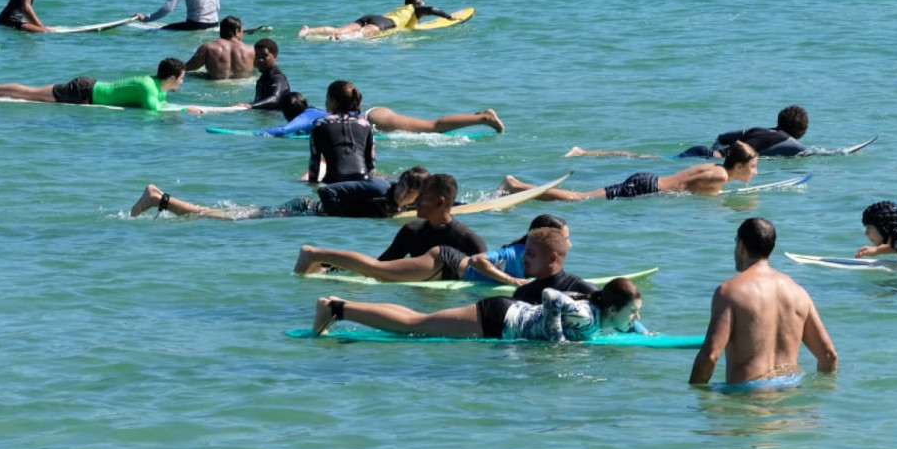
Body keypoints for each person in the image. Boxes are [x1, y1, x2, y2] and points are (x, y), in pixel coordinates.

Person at [311, 231, 641, 342]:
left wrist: (640, 329)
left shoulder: (590, 297)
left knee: (417, 321)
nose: (524, 260)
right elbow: (553, 299)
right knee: (414, 326)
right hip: (498, 318)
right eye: (633, 315)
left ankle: (340, 306)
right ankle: (337, 309)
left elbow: (613, 305)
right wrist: (558, 344)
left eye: (531, 255)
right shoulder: (586, 311)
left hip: (503, 314)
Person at [689, 217, 837, 387]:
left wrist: (696, 396)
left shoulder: (730, 292)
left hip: (748, 400)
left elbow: (710, 356)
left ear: (741, 247)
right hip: (790, 396)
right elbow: (828, 355)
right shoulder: (798, 293)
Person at [293, 213, 569, 287]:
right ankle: (314, 253)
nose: (569, 244)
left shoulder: (538, 259)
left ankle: (324, 267)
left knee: (376, 274)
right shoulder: (521, 252)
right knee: (376, 271)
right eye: (565, 237)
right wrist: (512, 280)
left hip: (448, 270)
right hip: (444, 263)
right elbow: (477, 261)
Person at [130, 166, 430, 221]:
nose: (404, 194)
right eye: (403, 186)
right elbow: (327, 191)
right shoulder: (380, 189)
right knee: (226, 218)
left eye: (410, 192)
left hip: (303, 212)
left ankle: (161, 198)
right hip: (302, 209)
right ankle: (160, 199)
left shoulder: (397, 204)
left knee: (233, 214)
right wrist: (340, 217)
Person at [501, 140, 759, 201]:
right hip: (647, 188)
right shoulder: (721, 175)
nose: (755, 172)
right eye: (753, 167)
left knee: (581, 198)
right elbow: (682, 186)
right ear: (737, 166)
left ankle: (519, 187)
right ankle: (518, 187)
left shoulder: (718, 169)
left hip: (647, 181)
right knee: (580, 199)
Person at [567, 105, 811, 159]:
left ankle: (587, 152)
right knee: (646, 158)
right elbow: (811, 153)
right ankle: (585, 152)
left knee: (646, 157)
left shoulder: (760, 129)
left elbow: (723, 136)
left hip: (704, 152)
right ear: (800, 130)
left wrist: (716, 153)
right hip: (707, 157)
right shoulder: (788, 141)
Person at [0, 57, 186, 111]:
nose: (183, 81)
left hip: (89, 90)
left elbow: (160, 106)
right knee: (30, 94)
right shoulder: (148, 87)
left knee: (31, 94)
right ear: (172, 78)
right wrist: (187, 110)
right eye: (182, 77)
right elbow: (154, 112)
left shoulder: (160, 89)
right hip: (84, 90)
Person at [259, 91, 505, 138]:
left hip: (374, 120)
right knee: (431, 125)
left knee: (432, 126)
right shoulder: (313, 111)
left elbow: (283, 130)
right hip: (373, 115)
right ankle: (477, 116)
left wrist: (257, 134)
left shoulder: (305, 116)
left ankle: (483, 118)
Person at [298, 0, 457, 40]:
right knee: (359, 35)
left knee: (339, 29)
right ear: (420, 3)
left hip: (373, 17)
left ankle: (309, 30)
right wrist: (449, 17)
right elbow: (433, 10)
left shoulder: (403, 8)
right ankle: (337, 39)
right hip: (385, 23)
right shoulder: (416, 9)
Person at [307, 80, 374, 185]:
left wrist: (312, 184)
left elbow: (314, 163)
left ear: (333, 102)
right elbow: (370, 163)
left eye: (327, 98)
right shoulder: (365, 124)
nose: (325, 103)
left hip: (334, 181)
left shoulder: (320, 124)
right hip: (363, 180)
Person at [183, 16, 255, 79]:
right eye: (242, 32)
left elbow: (188, 68)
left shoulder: (208, 47)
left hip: (217, 85)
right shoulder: (251, 50)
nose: (242, 35)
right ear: (237, 31)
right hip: (243, 84)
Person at [230, 38, 289, 111]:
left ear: (274, 55)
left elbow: (275, 99)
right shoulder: (264, 78)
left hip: (275, 120)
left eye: (264, 56)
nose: (260, 60)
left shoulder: (278, 78)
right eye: (257, 56)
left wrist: (251, 105)